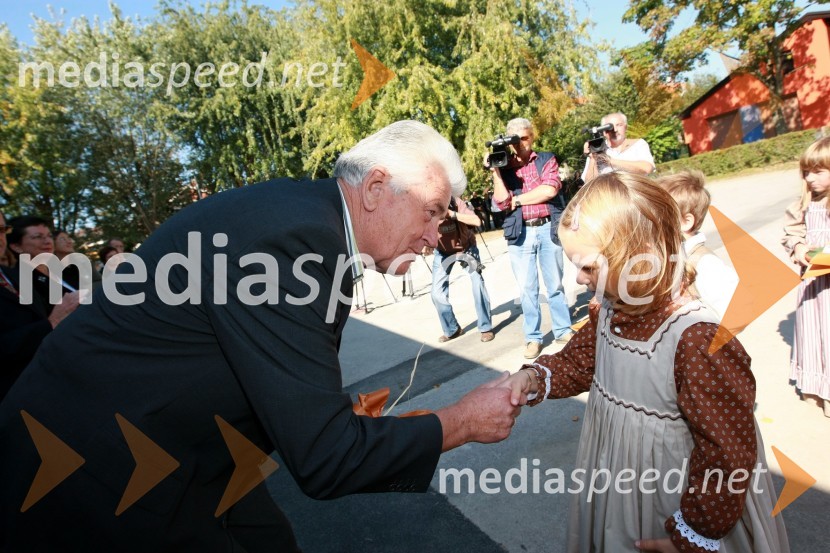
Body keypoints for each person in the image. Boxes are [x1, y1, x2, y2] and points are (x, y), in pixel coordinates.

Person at [0, 121, 521, 552]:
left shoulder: (308, 222)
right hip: (95, 471)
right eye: (431, 210)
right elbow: (326, 458)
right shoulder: (293, 244)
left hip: (194, 451)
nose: (436, 235)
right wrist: (462, 421)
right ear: (377, 188)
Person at [501, 172, 789, 552]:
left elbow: (727, 453)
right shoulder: (609, 309)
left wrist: (694, 533)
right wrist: (536, 378)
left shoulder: (697, 339)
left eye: (588, 267)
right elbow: (581, 363)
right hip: (618, 486)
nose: (578, 279)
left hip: (670, 503)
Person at [489, 117, 572, 359]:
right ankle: (533, 338)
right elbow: (501, 200)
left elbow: (550, 189)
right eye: (516, 140)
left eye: (525, 138)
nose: (521, 144)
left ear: (532, 136)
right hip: (520, 233)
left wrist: (517, 200)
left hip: (547, 228)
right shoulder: (504, 167)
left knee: (555, 284)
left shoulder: (546, 159)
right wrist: (495, 169)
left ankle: (562, 329)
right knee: (527, 289)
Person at [0, 214, 79, 399]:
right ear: (17, 246)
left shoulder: (11, 276)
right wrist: (52, 322)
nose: (46, 241)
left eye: (2, 230)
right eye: (37, 237)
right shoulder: (26, 276)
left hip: (56, 378)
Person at [782, 136, 830, 418]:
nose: (810, 178)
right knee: (814, 335)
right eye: (806, 172)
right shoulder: (802, 205)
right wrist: (799, 247)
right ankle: (813, 385)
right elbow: (791, 233)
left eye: (818, 171)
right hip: (813, 288)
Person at [656, 170, 738, 319]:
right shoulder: (667, 255)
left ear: (685, 222)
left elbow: (734, 314)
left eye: (657, 216)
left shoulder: (705, 263)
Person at [427, 196, 494, 343]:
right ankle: (452, 329)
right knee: (437, 294)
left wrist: (452, 214)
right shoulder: (424, 208)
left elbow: (477, 221)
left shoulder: (455, 203)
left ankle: (485, 327)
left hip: (466, 249)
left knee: (477, 283)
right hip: (443, 253)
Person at [580, 112, 655, 183]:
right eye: (610, 127)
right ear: (603, 131)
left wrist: (610, 161)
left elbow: (647, 168)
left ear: (625, 127)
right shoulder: (597, 148)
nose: (614, 130)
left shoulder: (638, 144)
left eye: (619, 125)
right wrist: (593, 158)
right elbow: (589, 182)